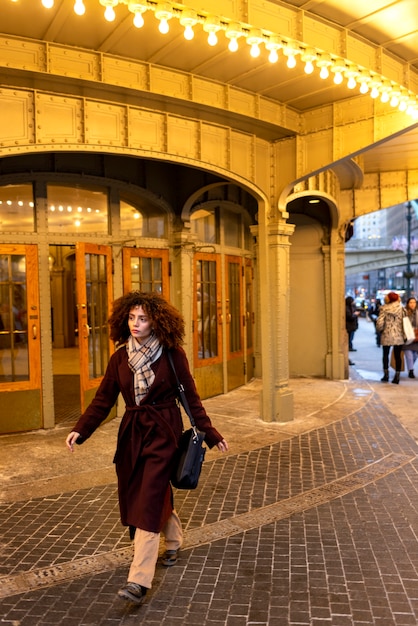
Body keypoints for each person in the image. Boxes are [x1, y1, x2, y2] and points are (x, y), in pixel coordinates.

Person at [66, 292, 228, 606]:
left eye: (142, 318)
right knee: (145, 491)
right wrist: (80, 429)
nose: (136, 324)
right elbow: (103, 401)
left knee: (148, 497)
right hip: (132, 435)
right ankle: (175, 538)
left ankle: (139, 580)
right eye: (131, 318)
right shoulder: (119, 358)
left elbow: (190, 400)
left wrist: (209, 433)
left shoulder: (172, 354)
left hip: (163, 432)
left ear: (156, 321)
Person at [375, 291, 405, 384]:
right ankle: (397, 376)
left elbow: (380, 322)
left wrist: (379, 330)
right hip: (398, 335)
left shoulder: (384, 308)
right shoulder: (401, 308)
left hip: (386, 334)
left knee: (385, 355)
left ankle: (386, 375)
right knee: (397, 356)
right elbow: (405, 321)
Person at [402, 297, 418, 378]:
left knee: (415, 355)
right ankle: (411, 371)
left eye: (414, 302)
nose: (412, 304)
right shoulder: (404, 312)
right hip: (407, 336)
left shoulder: (417, 312)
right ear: (408, 304)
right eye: (411, 302)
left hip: (416, 336)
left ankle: (410, 366)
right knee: (409, 355)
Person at [345, 296, 359, 361]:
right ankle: (349, 347)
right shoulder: (347, 308)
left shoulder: (352, 307)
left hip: (352, 326)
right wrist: (355, 315)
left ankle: (350, 346)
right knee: (349, 338)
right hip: (349, 326)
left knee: (351, 337)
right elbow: (350, 316)